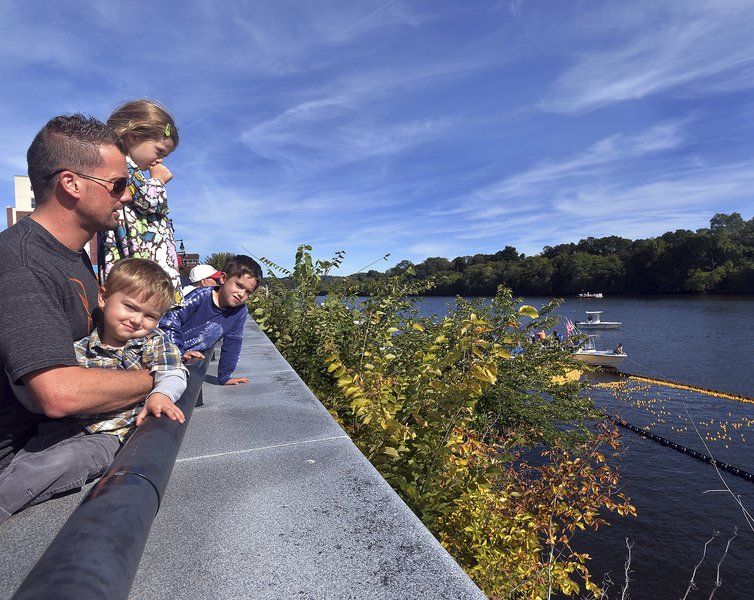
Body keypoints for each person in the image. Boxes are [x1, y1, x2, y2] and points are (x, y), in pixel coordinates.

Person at [0, 114, 155, 473]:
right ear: (71, 183)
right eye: (118, 184)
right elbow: (59, 393)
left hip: (60, 439)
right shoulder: (23, 264)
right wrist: (154, 378)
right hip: (23, 465)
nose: (128, 196)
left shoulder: (69, 254)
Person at [0, 259, 187, 520]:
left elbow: (174, 372)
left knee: (61, 463)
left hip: (108, 436)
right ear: (103, 297)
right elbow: (37, 399)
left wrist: (160, 394)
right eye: (130, 307)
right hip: (62, 428)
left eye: (150, 316)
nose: (137, 320)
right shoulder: (77, 347)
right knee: (24, 464)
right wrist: (15, 372)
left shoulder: (152, 342)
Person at [98, 99, 182, 303]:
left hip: (136, 259)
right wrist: (159, 181)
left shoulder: (129, 171)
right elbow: (151, 200)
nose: (160, 160)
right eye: (159, 150)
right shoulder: (125, 167)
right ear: (133, 136)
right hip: (137, 261)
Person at [160, 255, 262, 386]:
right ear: (223, 278)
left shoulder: (239, 312)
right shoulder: (200, 296)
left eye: (248, 292)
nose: (242, 294)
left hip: (190, 359)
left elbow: (233, 342)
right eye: (239, 285)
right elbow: (169, 322)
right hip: (166, 352)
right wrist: (179, 352)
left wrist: (225, 376)